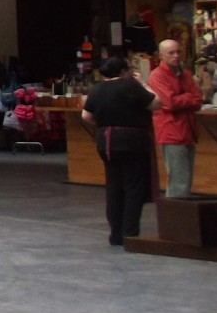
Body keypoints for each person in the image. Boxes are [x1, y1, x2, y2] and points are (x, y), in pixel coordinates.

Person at [82, 56, 159, 246]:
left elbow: (86, 116)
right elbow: (157, 103)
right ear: (125, 71)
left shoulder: (98, 89)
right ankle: (130, 232)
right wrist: (144, 84)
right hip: (132, 140)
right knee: (134, 186)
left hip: (106, 140)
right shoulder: (130, 86)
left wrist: (104, 122)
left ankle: (115, 234)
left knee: (114, 186)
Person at [148, 39, 202, 198]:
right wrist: (188, 96)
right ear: (161, 55)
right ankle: (175, 210)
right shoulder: (157, 76)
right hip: (170, 130)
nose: (176, 56)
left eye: (178, 52)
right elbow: (169, 103)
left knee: (186, 176)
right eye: (171, 53)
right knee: (179, 179)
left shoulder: (186, 74)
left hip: (188, 129)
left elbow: (198, 100)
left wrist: (183, 98)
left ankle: (179, 208)